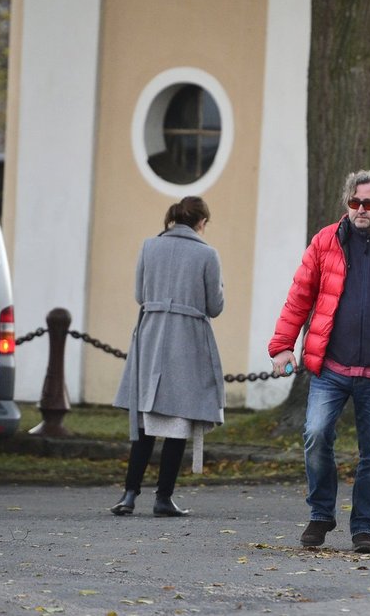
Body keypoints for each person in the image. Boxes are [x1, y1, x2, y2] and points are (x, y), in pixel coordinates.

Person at [268, 170, 370, 554]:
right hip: (331, 369)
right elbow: (300, 297)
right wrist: (282, 345)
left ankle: (363, 527)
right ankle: (321, 514)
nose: (360, 210)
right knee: (315, 436)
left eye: (369, 204)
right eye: (354, 202)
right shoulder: (326, 241)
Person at [110, 196, 225, 518]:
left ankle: (129, 494)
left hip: (151, 335)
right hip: (186, 340)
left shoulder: (149, 246)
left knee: (146, 419)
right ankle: (163, 497)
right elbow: (214, 306)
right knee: (178, 419)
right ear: (202, 222)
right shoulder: (207, 253)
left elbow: (139, 295)